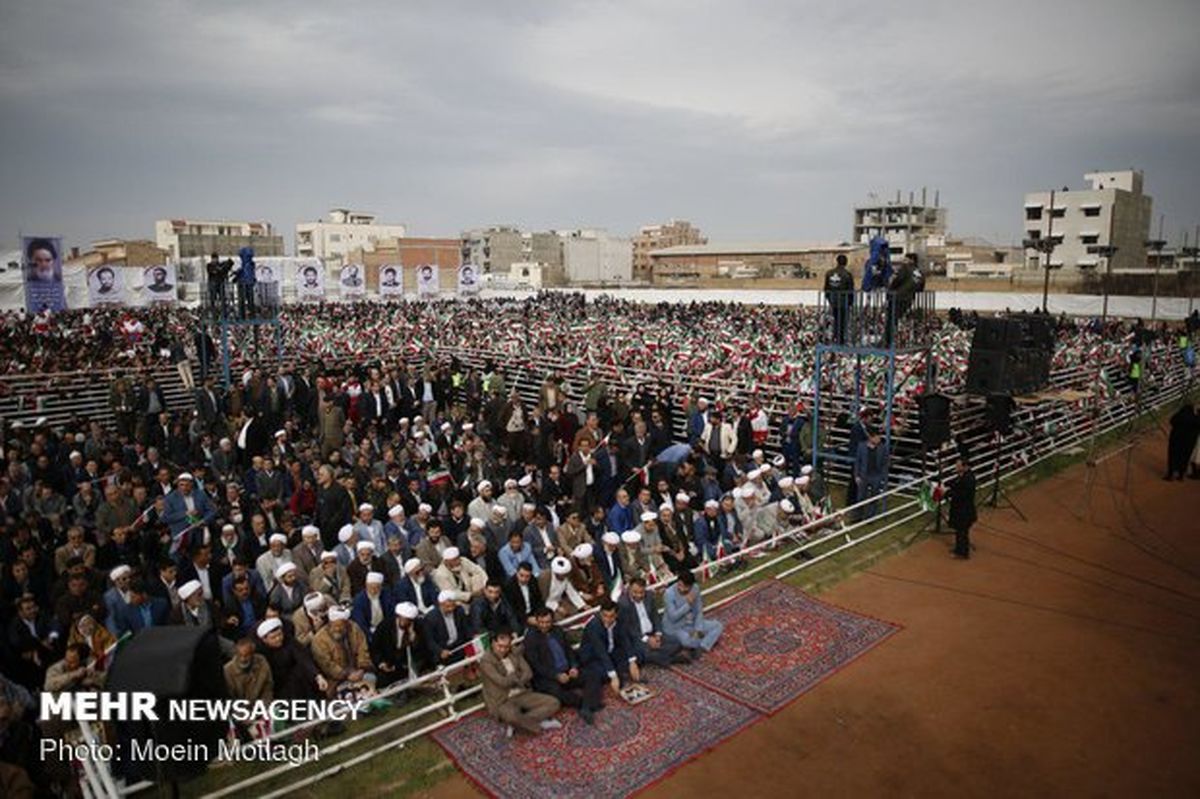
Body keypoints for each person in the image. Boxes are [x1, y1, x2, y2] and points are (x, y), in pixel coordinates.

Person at [523, 606, 603, 724]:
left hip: (567, 671)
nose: (544, 625)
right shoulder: (531, 638)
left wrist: (574, 666)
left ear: (552, 621)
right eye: (541, 622)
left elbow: (569, 651)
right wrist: (556, 676)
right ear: (536, 621)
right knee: (556, 693)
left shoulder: (558, 631)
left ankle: (586, 707)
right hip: (549, 677)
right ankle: (587, 704)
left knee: (593, 675)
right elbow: (536, 666)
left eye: (548, 622)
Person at [478, 629, 561, 736]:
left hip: (522, 692)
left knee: (554, 703)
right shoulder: (486, 661)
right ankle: (538, 725)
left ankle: (521, 723)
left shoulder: (513, 652)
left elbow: (528, 672)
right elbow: (502, 682)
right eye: (500, 646)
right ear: (493, 643)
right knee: (511, 716)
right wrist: (517, 676)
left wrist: (515, 679)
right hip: (503, 699)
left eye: (506, 646)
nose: (503, 650)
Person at [618, 577, 686, 666]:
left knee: (677, 642)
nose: (638, 595)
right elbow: (629, 629)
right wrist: (647, 639)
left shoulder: (649, 596)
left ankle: (661, 656)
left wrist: (658, 633)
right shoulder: (623, 603)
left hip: (653, 632)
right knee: (645, 654)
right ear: (629, 589)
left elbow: (655, 616)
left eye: (641, 592)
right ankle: (671, 659)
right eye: (635, 592)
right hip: (639, 638)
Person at [579, 598, 639, 693]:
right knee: (606, 673)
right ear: (600, 614)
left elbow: (625, 639)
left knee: (636, 656)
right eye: (605, 616)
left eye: (611, 616)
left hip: (611, 650)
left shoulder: (620, 620)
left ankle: (618, 671)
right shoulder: (593, 627)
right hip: (593, 657)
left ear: (616, 615)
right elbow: (601, 652)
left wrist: (632, 661)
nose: (607, 619)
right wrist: (613, 675)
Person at [662, 570, 722, 656]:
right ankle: (706, 641)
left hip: (691, 623)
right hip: (676, 627)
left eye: (685, 587)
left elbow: (699, 611)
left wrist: (698, 630)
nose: (682, 589)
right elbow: (673, 617)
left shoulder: (695, 588)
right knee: (687, 641)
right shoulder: (669, 594)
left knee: (717, 626)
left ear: (691, 586)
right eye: (680, 585)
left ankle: (702, 646)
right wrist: (688, 605)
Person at [947, 454, 978, 560]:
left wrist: (949, 493)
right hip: (960, 510)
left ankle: (963, 553)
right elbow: (955, 485)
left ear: (965, 466)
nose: (956, 467)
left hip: (964, 511)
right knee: (959, 531)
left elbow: (961, 494)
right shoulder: (962, 476)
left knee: (962, 532)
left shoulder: (968, 479)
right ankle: (958, 549)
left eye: (958, 465)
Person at [824, 253, 854, 344]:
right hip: (843, 301)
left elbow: (826, 288)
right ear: (845, 263)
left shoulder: (829, 273)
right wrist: (850, 302)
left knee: (836, 319)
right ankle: (840, 339)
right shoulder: (847, 274)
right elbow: (850, 289)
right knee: (843, 321)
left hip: (833, 300)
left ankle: (835, 336)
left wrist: (829, 299)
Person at [1165, 400, 1199, 481]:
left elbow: (1172, 421)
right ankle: (1181, 475)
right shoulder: (1196, 418)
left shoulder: (1180, 415)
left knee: (1173, 456)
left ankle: (1171, 474)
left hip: (1176, 439)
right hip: (1189, 442)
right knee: (1185, 457)